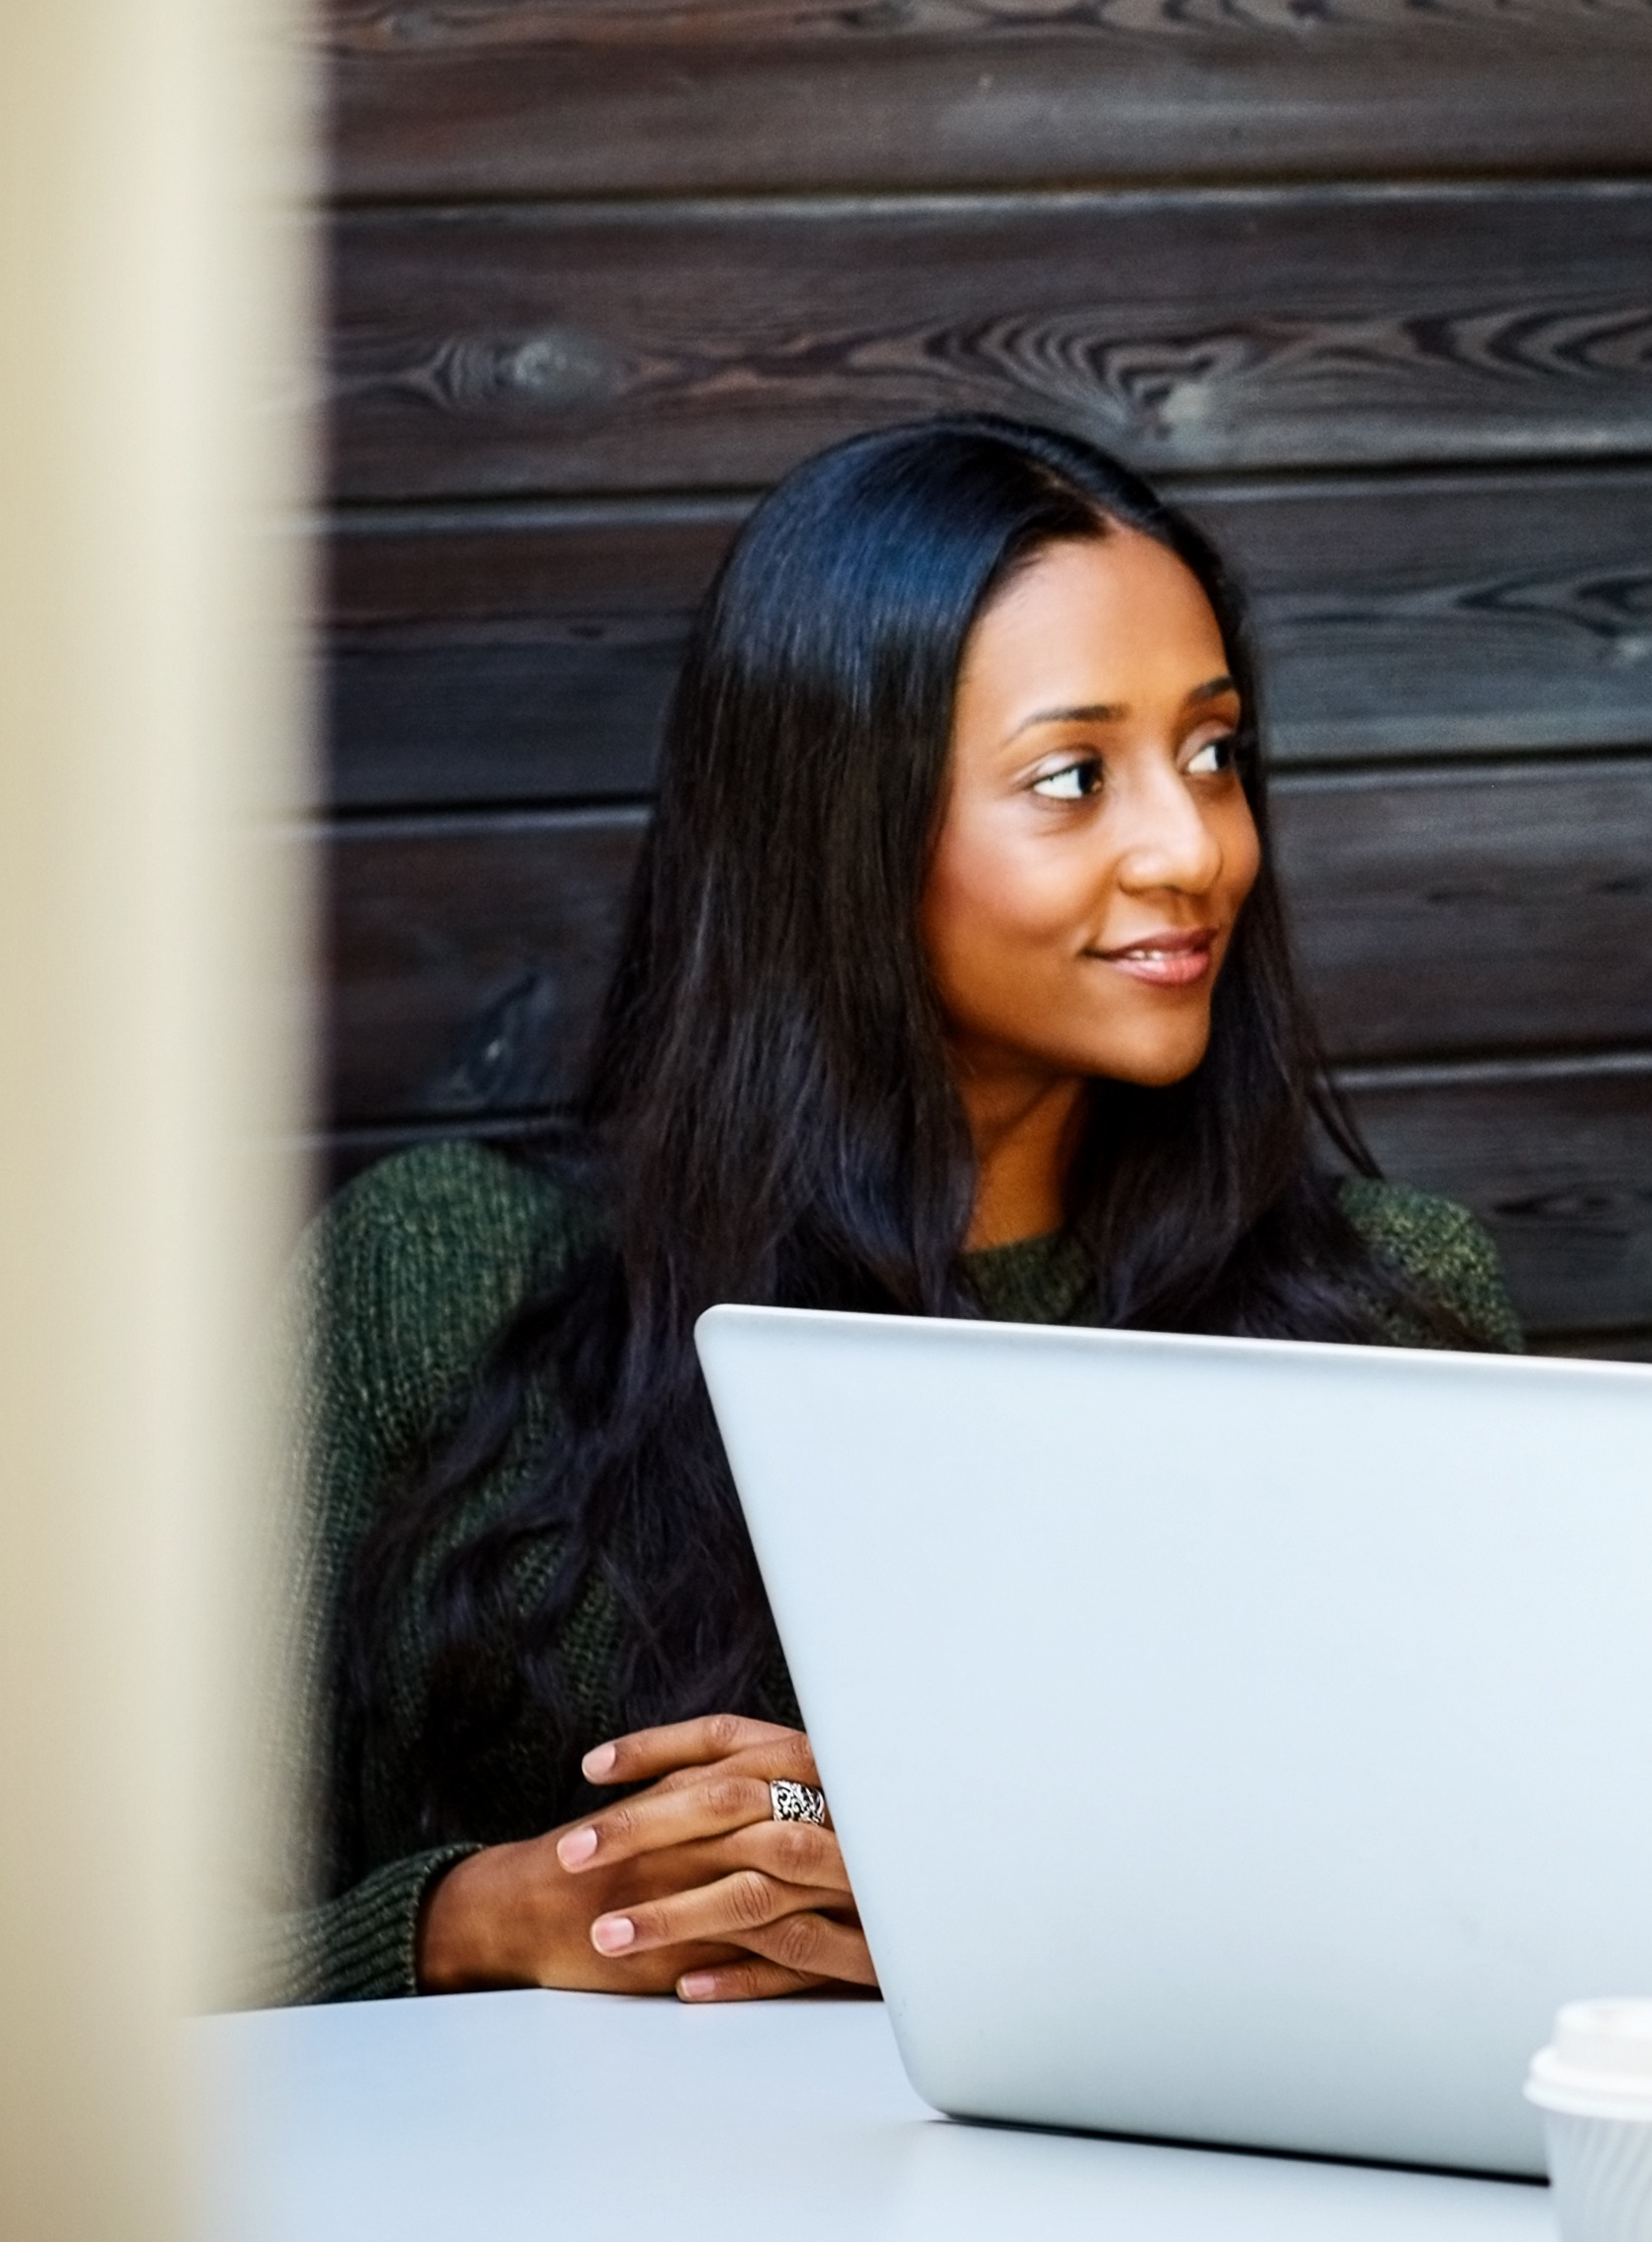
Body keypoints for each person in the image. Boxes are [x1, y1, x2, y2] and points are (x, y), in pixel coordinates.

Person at [286, 416, 1521, 2005]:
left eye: (1214, 752)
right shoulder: (439, 1269)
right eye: (1073, 777)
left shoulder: (1392, 1307)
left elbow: (1493, 1916)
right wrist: (481, 1920)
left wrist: (1029, 1910)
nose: (1194, 846)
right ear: (839, 828)